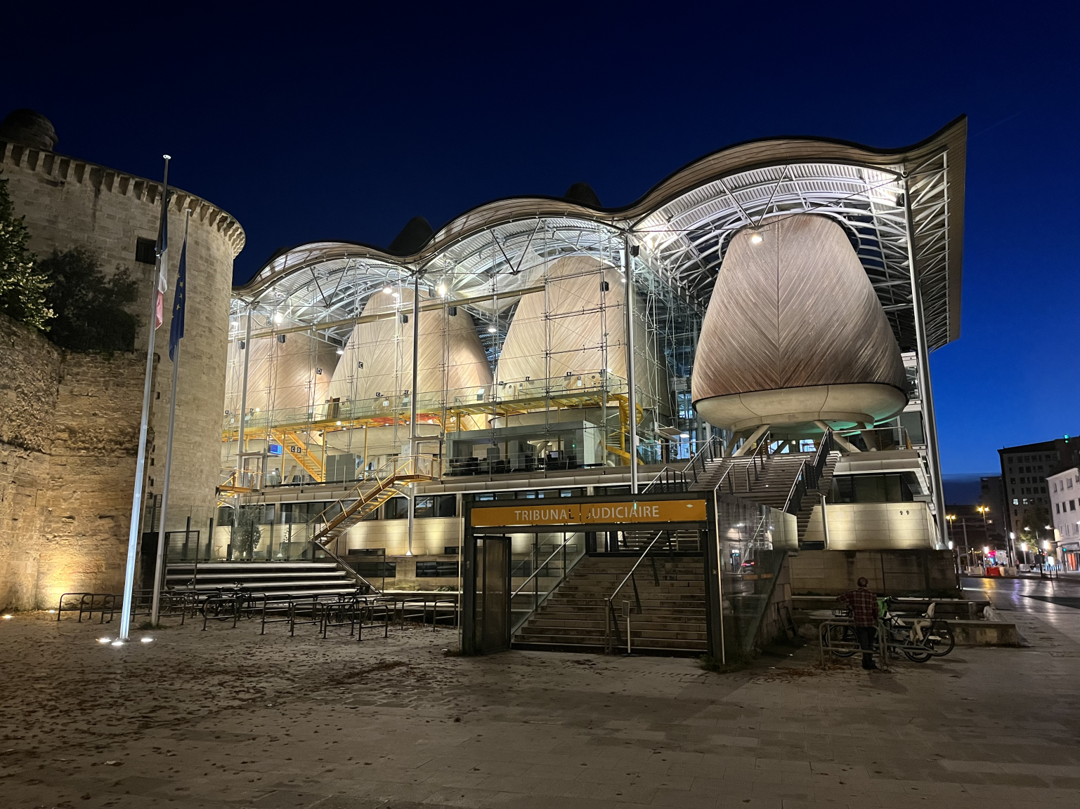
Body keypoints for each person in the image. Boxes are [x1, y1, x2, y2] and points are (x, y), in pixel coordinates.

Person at [837, 577, 879, 670]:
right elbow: (875, 609)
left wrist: (850, 603)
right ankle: (868, 661)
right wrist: (876, 619)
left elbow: (839, 599)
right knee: (870, 643)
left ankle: (866, 662)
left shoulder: (853, 593)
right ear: (866, 584)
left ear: (858, 584)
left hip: (860, 622)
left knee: (864, 642)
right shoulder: (872, 594)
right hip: (870, 621)